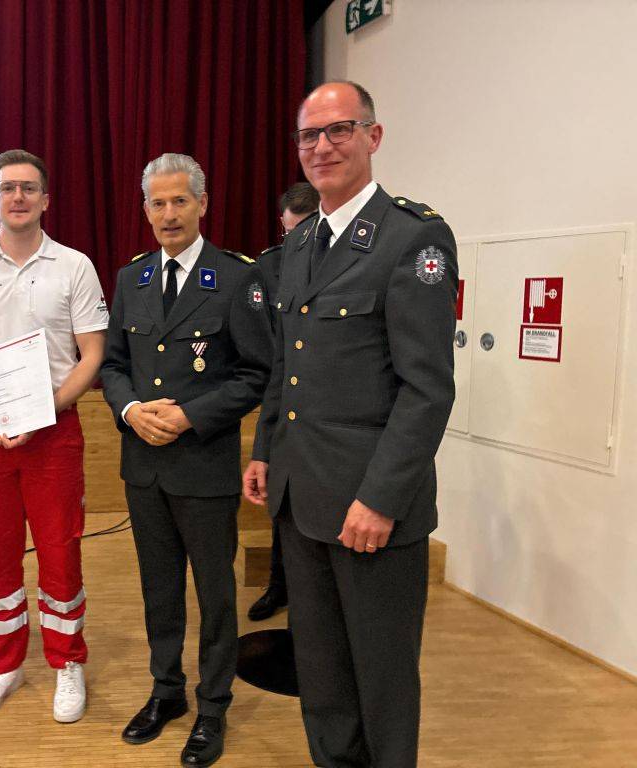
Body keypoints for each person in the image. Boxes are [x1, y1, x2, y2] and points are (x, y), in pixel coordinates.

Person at [243, 81, 458, 767]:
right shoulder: (301, 244)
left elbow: (427, 390)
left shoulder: (413, 237)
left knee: (383, 678)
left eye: (340, 129)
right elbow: (287, 364)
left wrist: (381, 498)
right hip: (302, 500)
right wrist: (264, 449)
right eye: (310, 135)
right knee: (325, 674)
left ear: (374, 136)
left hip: (373, 511)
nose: (323, 146)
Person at [101, 153, 273, 768]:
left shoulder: (236, 278)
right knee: (158, 588)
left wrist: (189, 415)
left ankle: (213, 705)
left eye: (179, 201)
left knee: (215, 592)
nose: (168, 214)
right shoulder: (132, 279)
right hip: (142, 464)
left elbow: (256, 374)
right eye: (157, 203)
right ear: (144, 209)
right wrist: (129, 412)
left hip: (203, 464)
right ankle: (166, 691)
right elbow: (114, 366)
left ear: (202, 204)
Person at [0, 149, 107, 723]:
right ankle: (5, 665)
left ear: (46, 199)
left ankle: (66, 662)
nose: (18, 197)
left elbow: (92, 357)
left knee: (61, 552)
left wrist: (41, 412)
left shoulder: (75, 266)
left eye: (29, 188)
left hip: (54, 436)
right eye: (8, 188)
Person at [248, 181, 320, 622]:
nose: (297, 242)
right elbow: (263, 342)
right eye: (290, 232)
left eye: (305, 230)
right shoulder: (267, 268)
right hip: (279, 394)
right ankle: (278, 585)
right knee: (283, 510)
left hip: (321, 407)